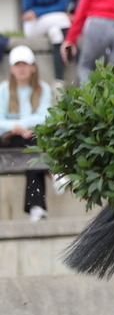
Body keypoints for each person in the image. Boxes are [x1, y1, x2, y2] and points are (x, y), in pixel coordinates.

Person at [0, 45, 53, 221]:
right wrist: (15, 127)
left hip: (31, 138)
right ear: (11, 69)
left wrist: (21, 125)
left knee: (34, 147)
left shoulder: (43, 89)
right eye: (17, 65)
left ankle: (36, 206)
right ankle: (56, 173)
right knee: (34, 146)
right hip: (7, 140)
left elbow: (46, 117)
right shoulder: (4, 90)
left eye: (25, 64)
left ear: (33, 67)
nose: (21, 68)